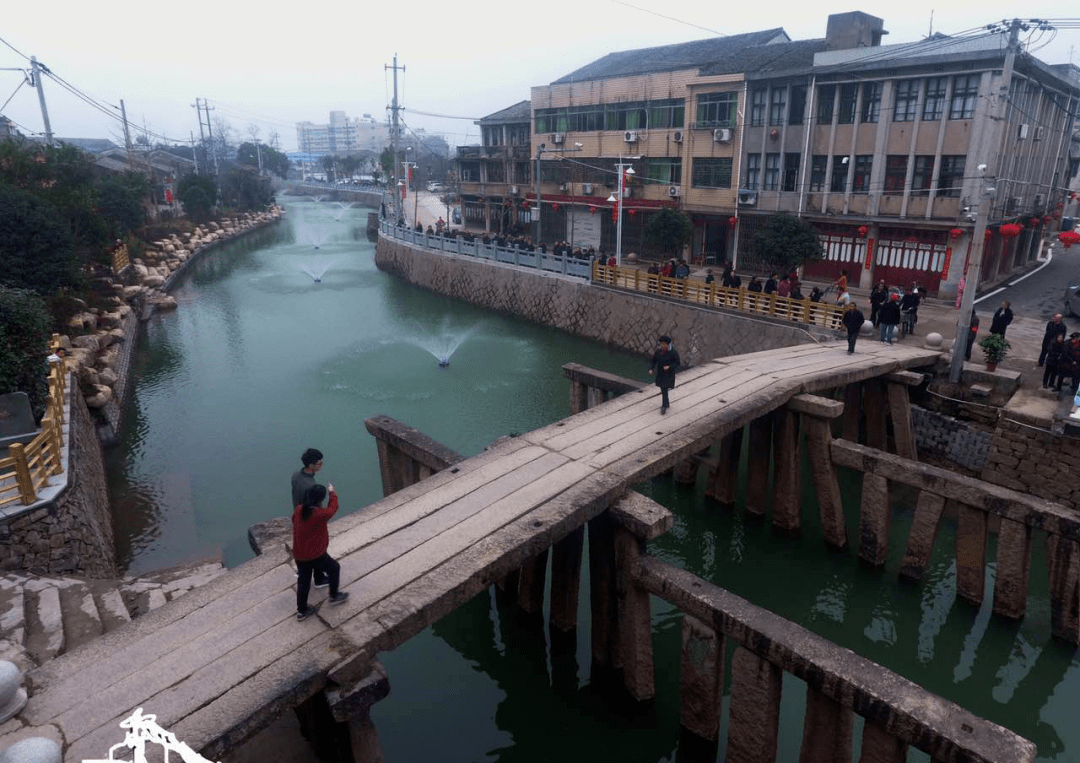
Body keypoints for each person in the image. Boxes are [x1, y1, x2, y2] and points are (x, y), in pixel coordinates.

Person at [293, 483, 349, 620]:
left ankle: (301, 611)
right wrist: (332, 493)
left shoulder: (299, 510)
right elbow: (332, 509)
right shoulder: (319, 514)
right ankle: (334, 596)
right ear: (320, 500)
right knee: (334, 568)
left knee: (303, 582)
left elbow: (297, 520)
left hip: (300, 555)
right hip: (315, 555)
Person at [292, 449, 330, 588]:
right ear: (311, 465)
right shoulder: (310, 486)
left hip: (298, 516)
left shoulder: (296, 476)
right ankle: (319, 579)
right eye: (319, 463)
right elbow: (315, 507)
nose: (322, 465)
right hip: (309, 519)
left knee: (304, 546)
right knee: (318, 548)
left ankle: (304, 570)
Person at [648, 335, 680, 414]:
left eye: (664, 344)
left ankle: (664, 406)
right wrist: (651, 368)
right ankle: (666, 402)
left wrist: (669, 367)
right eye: (662, 344)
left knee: (664, 388)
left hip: (668, 374)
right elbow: (653, 361)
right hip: (661, 373)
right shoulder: (658, 352)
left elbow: (677, 363)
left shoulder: (673, 353)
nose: (663, 346)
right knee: (663, 388)